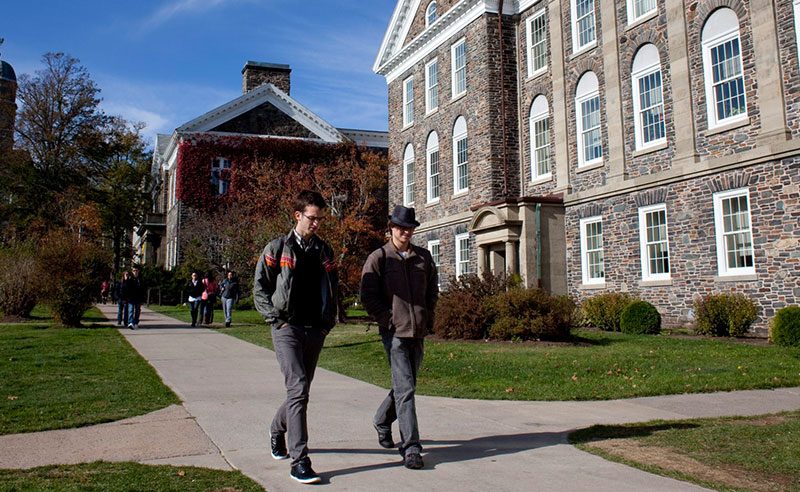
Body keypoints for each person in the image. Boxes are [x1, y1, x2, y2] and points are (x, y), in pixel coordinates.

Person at [253, 190, 338, 485]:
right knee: (298, 387)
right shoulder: (277, 248)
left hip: (315, 329)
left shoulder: (324, 251)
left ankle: (277, 429)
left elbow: (333, 286)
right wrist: (275, 319)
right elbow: (260, 288)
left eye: (320, 219)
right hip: (287, 328)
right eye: (312, 218)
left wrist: (327, 323)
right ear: (298, 215)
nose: (316, 223)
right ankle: (299, 461)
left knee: (299, 392)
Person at [359, 205, 438, 470]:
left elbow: (432, 291)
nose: (405, 232)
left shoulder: (423, 257)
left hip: (418, 331)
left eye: (409, 228)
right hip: (394, 333)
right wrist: (387, 319)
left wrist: (428, 316)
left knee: (406, 386)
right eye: (401, 227)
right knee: (406, 389)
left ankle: (382, 420)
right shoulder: (379, 257)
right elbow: (367, 296)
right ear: (391, 228)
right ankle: (411, 447)